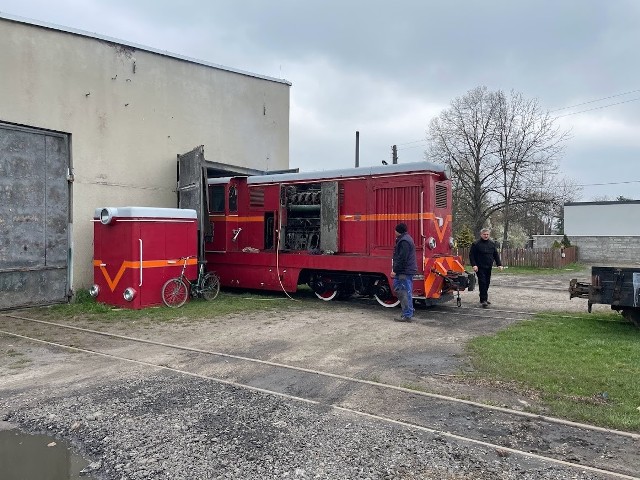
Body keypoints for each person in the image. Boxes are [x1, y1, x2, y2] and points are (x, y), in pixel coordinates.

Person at [469, 227, 503, 308]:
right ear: (481, 235)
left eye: (487, 234)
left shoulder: (492, 243)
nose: (486, 236)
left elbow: (496, 255)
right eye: (484, 234)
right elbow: (471, 255)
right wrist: (474, 265)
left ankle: (483, 298)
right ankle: (484, 300)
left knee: (487, 282)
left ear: (489, 235)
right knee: (482, 282)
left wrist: (499, 264)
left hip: (488, 266)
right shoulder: (476, 244)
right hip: (479, 267)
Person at [391, 222, 418, 322]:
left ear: (398, 231)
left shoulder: (404, 241)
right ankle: (409, 310)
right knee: (400, 289)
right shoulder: (406, 239)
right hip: (405, 270)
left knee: (404, 292)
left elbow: (402, 258)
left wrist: (395, 270)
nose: (394, 232)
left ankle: (407, 314)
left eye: (395, 230)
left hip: (404, 271)